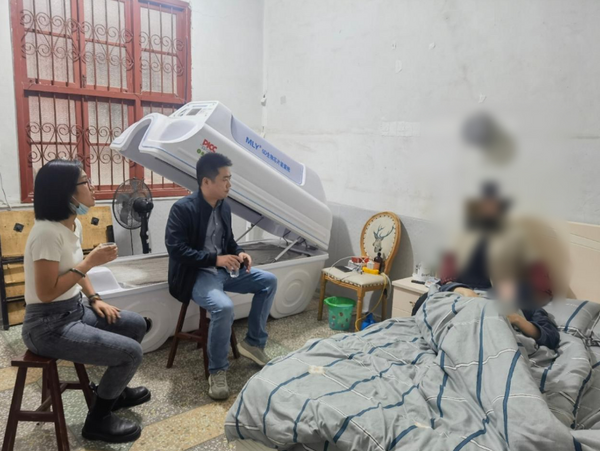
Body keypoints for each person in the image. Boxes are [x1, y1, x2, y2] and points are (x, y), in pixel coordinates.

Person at [22, 160, 150, 444]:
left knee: (135, 324)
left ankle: (114, 393)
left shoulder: (73, 224)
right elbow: (46, 293)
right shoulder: (46, 233)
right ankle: (97, 420)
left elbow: (74, 271)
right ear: (66, 192)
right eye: (85, 182)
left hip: (74, 310)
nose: (93, 187)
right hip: (46, 326)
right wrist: (91, 261)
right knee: (131, 353)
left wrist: (94, 298)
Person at [166, 152, 278, 400]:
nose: (229, 184)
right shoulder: (183, 209)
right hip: (197, 274)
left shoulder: (224, 207)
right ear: (206, 182)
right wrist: (215, 260)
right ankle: (216, 371)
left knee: (268, 281)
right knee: (224, 307)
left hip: (225, 270)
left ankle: (253, 343)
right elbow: (176, 250)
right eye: (225, 179)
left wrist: (240, 253)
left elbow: (228, 242)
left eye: (230, 179)